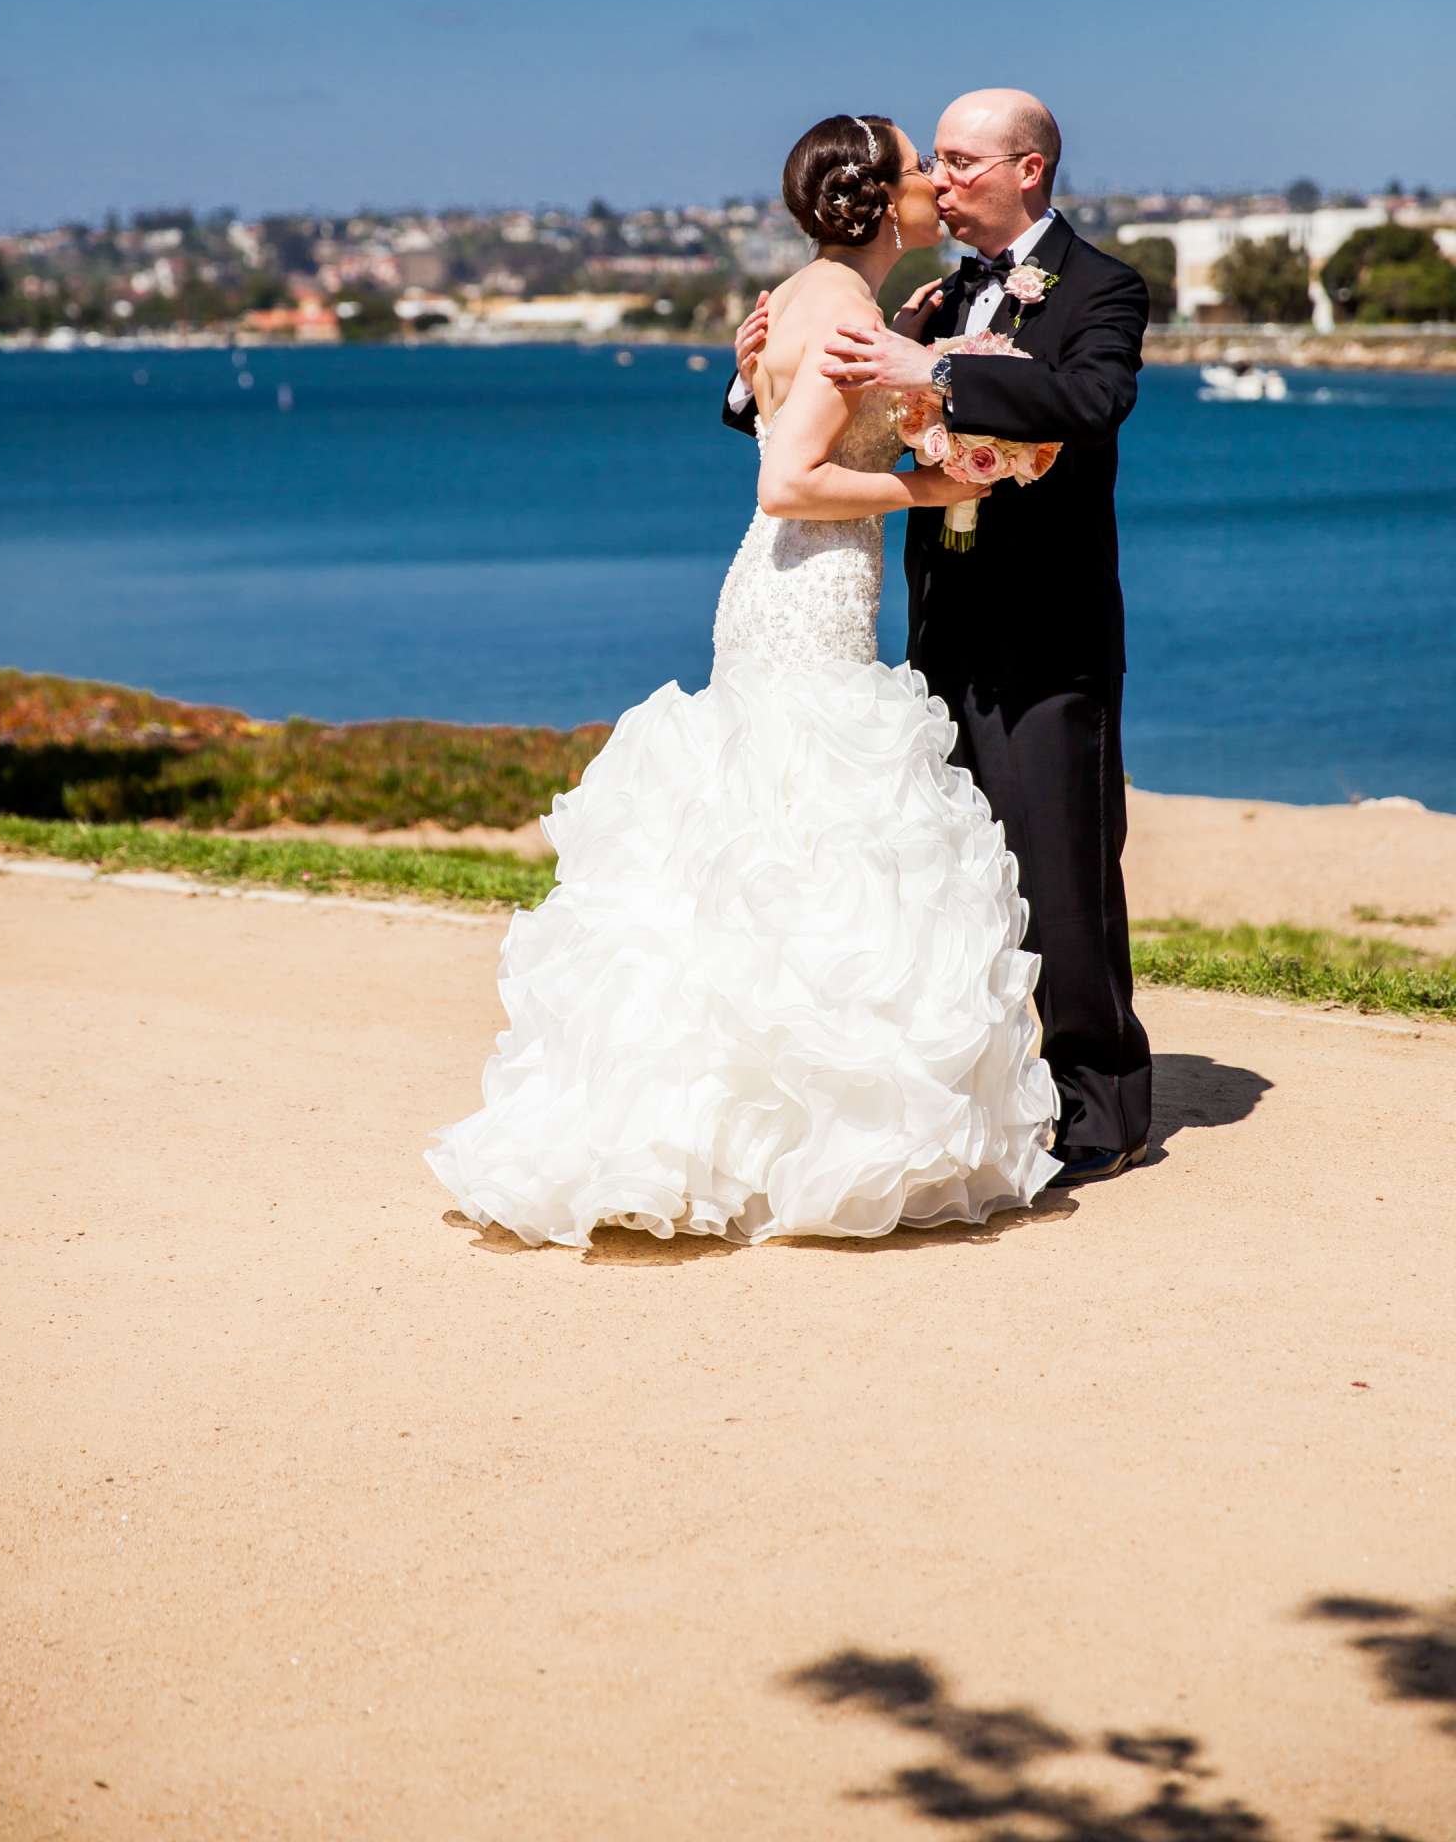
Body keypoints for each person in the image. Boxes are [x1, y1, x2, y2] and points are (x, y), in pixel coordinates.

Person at [426, 112, 1059, 1247]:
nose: (933, 183)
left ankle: (767, 1135)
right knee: (814, 831)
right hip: (800, 587)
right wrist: (927, 490)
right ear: (880, 200)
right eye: (919, 168)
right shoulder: (840, 309)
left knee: (779, 843)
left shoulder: (819, 299)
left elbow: (786, 414)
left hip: (792, 588)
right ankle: (792, 1144)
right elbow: (786, 478)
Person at [727, 89, 1152, 1184]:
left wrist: (942, 376)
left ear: (1030, 170)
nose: (943, 181)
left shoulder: (1102, 286)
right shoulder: (935, 290)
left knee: (1062, 864)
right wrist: (752, 382)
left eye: (964, 162)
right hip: (929, 623)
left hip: (1045, 624)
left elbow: (1090, 399)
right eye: (938, 163)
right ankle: (998, 1082)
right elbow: (828, 415)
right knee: (956, 875)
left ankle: (1101, 1103)